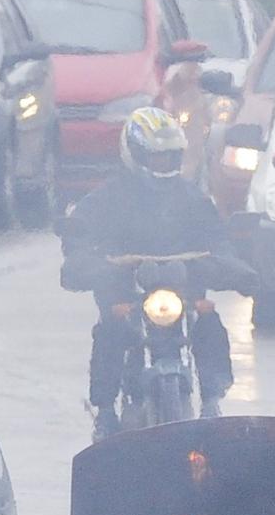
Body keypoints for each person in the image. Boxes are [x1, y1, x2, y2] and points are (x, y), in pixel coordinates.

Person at [61, 106, 237, 421]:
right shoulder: (107, 199)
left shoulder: (193, 199)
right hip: (125, 295)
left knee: (208, 319)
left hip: (181, 297)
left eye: (170, 157)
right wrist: (87, 259)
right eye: (156, 157)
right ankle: (104, 412)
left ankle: (212, 401)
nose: (164, 164)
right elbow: (79, 233)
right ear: (136, 155)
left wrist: (231, 264)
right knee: (111, 329)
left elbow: (218, 239)